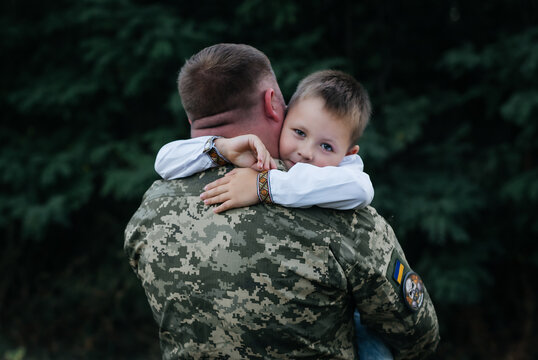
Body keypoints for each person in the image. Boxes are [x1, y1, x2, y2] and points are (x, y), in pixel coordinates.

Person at [124, 43, 440, 359]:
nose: (306, 151)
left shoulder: (148, 213)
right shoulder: (338, 215)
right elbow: (417, 334)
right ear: (273, 103)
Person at [154, 70, 375, 214]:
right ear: (284, 115)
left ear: (348, 154)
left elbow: (361, 190)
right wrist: (221, 148)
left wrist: (263, 185)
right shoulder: (257, 150)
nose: (306, 152)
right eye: (299, 132)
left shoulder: (346, 173)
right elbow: (164, 161)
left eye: (326, 147)